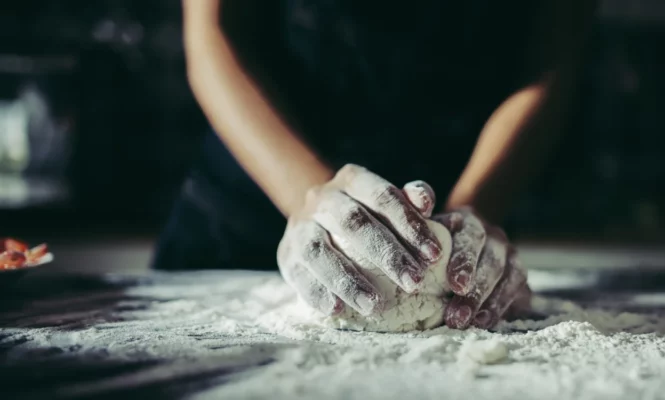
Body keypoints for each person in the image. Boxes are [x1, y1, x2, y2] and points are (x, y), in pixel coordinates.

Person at [154, 0, 596, 330]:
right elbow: (216, 33)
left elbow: (549, 64)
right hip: (253, 199)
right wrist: (311, 198)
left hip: (452, 198)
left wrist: (470, 217)